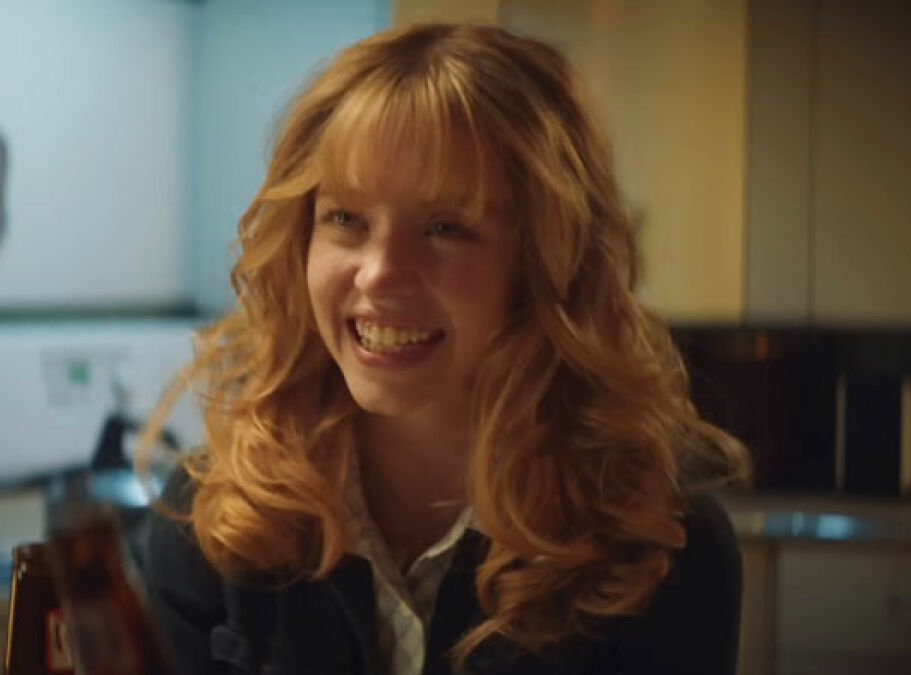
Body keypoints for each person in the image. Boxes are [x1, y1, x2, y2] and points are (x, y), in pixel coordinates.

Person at [139, 22, 750, 675]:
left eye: (445, 227)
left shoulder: (660, 551)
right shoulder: (213, 519)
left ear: (545, 261)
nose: (380, 274)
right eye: (345, 218)